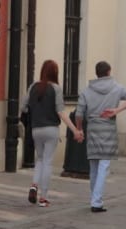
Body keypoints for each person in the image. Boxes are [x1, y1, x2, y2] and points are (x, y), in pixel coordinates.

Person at [76, 61, 126, 213]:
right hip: (108, 128)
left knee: (94, 166)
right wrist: (117, 110)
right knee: (104, 166)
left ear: (97, 73)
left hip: (92, 128)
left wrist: (79, 129)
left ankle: (94, 198)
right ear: (109, 71)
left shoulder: (86, 91)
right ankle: (96, 202)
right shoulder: (116, 87)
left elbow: (79, 113)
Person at [21, 60, 82, 208]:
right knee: (47, 161)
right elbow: (61, 112)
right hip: (51, 130)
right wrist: (75, 130)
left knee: (40, 159)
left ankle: (34, 185)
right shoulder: (56, 89)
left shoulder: (32, 87)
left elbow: (23, 108)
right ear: (55, 73)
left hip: (36, 130)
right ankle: (43, 198)